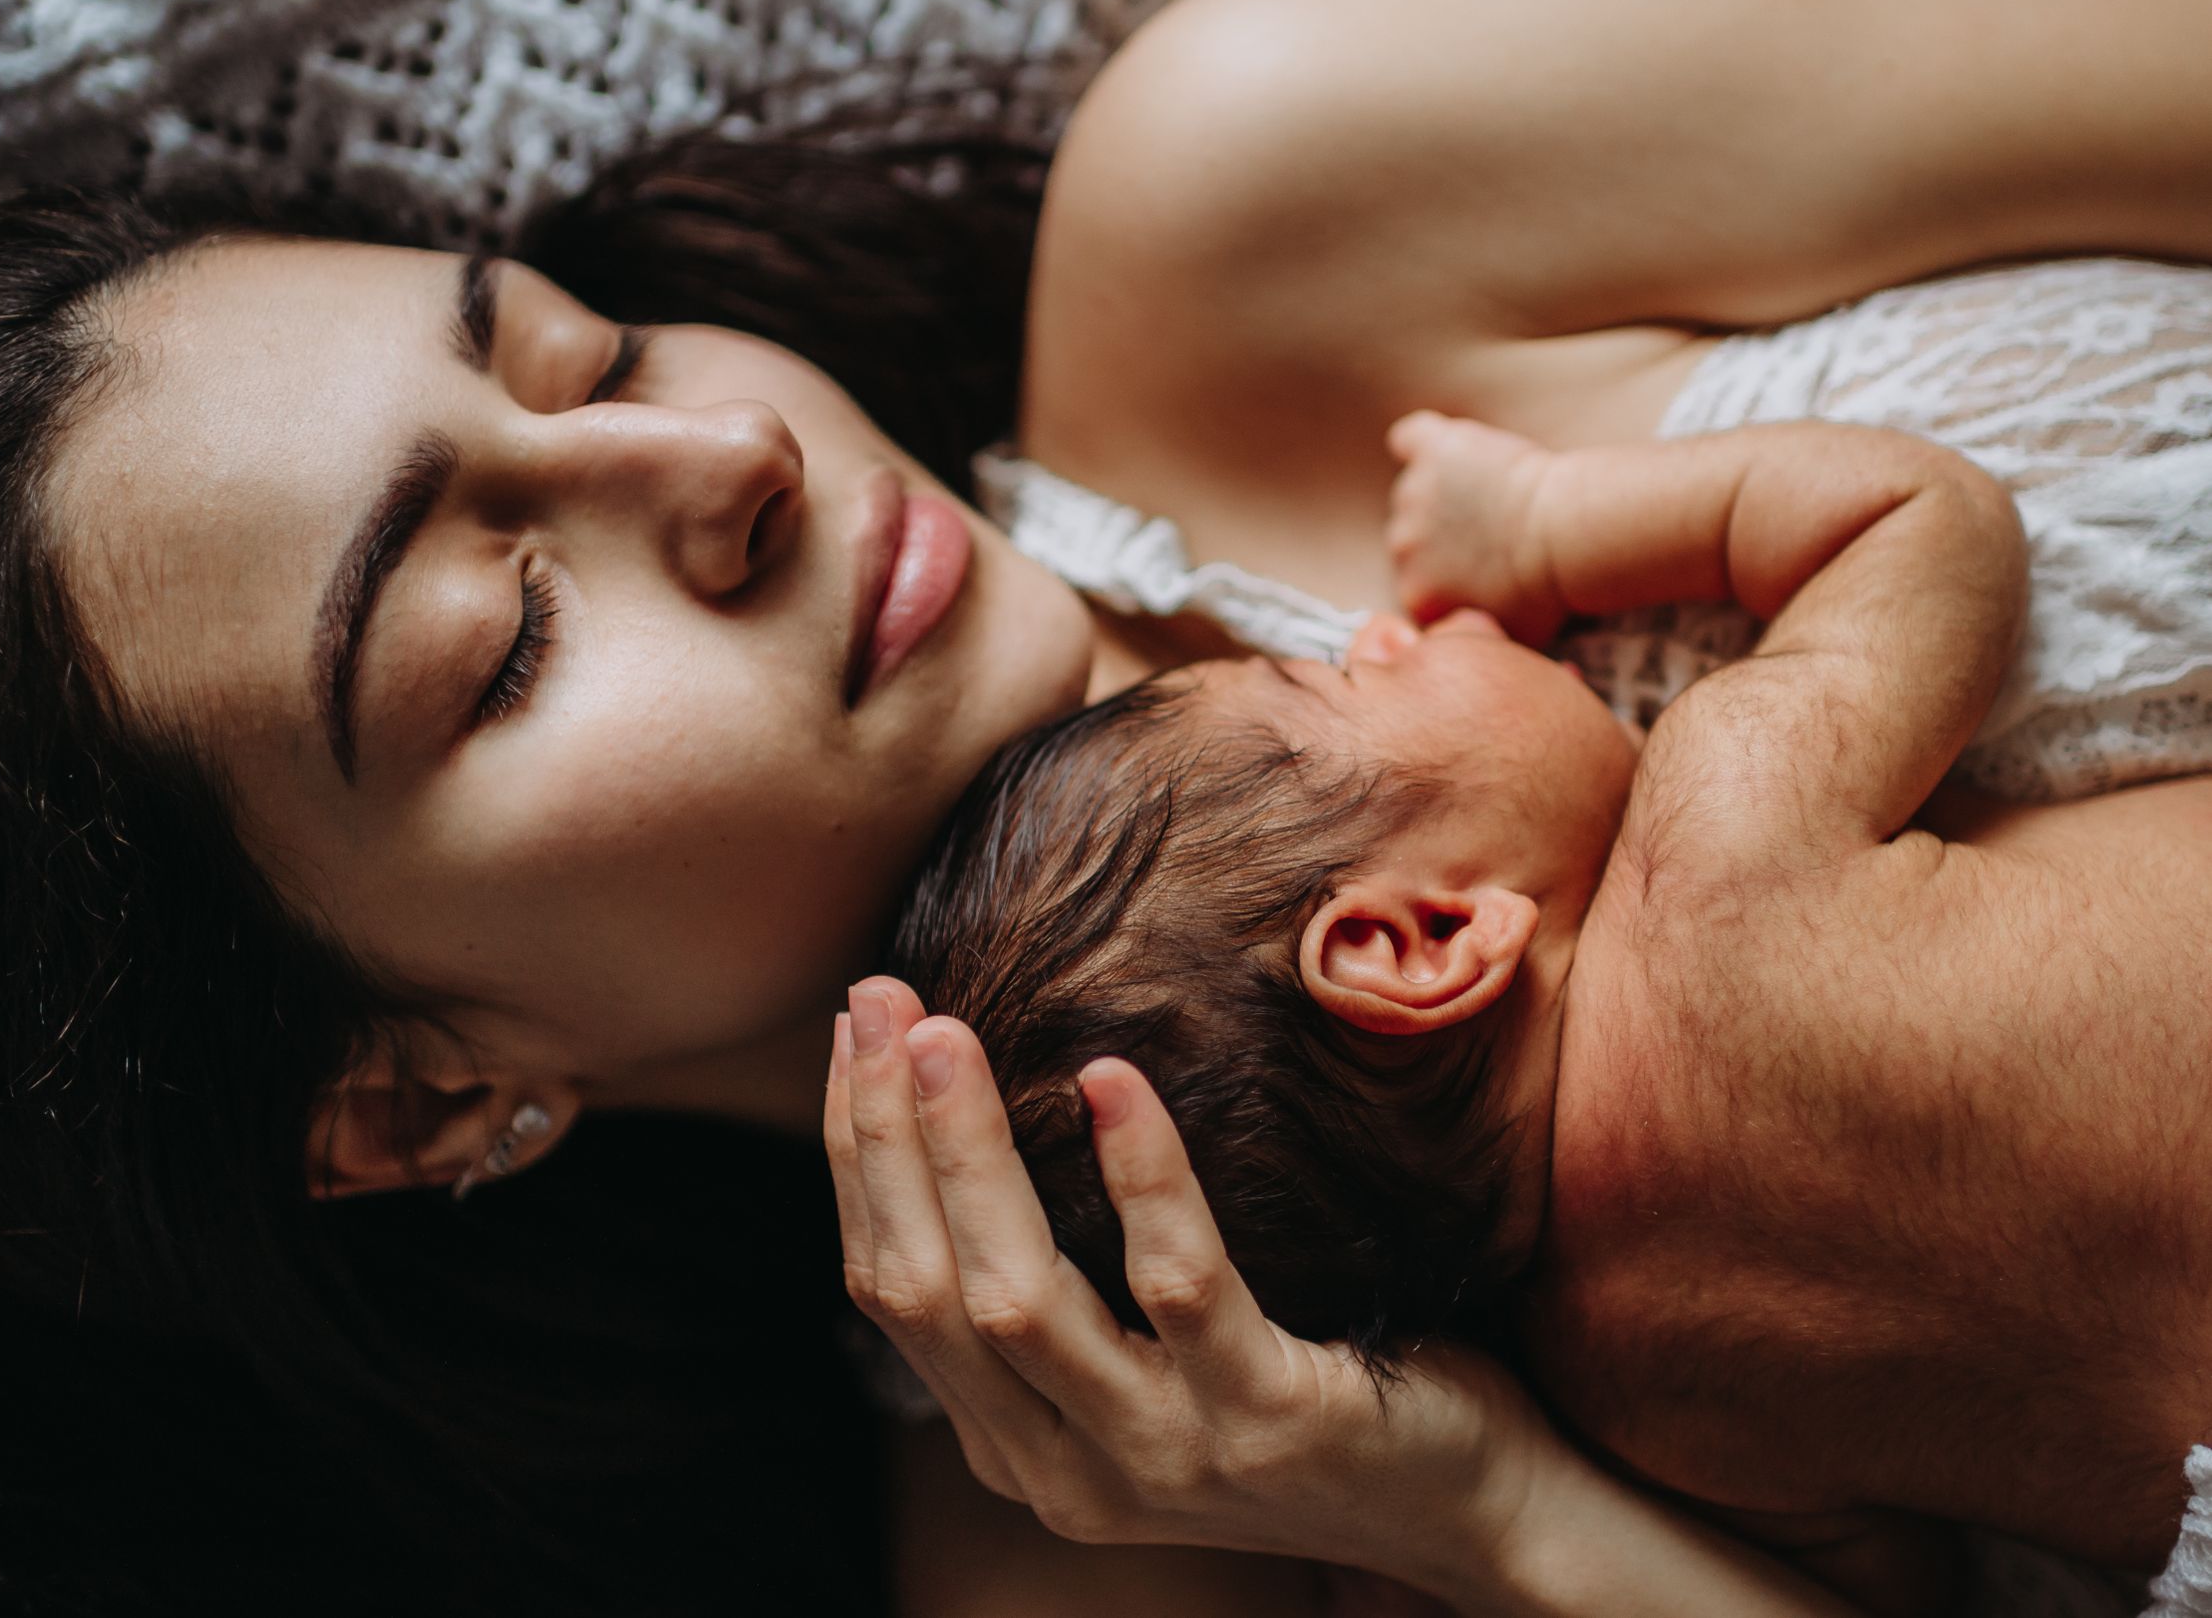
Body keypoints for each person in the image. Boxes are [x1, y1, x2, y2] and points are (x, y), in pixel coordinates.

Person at [0, 0, 2209, 1617]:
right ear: (406, 1094)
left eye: (580, 353)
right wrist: (1470, 1504)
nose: (718, 463)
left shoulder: (1279, 189)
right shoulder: (1130, 1522)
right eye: (495, 640)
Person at [884, 405, 2212, 1611]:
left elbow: (1914, 1596)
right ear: (1421, 941)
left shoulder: (1646, 1420)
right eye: (1349, 679)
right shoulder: (1718, 841)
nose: (1385, 628)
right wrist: (1547, 528)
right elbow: (1927, 517)